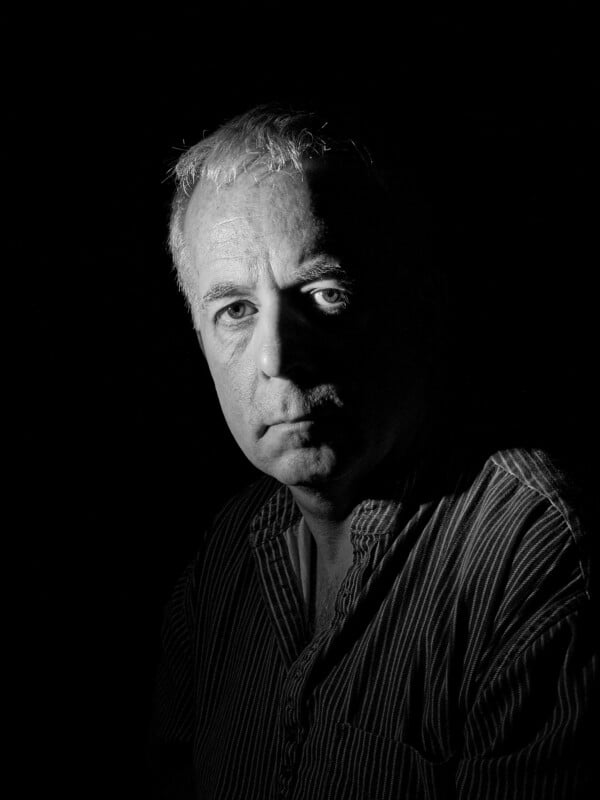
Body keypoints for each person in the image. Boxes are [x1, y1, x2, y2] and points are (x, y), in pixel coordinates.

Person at [150, 105, 596, 798]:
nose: (276, 358)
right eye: (234, 310)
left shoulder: (532, 556)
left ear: (415, 300)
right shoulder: (226, 556)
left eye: (325, 292)